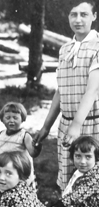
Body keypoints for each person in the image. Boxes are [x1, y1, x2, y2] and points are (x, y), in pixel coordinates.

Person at [34, 1, 99, 191]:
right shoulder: (65, 49)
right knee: (70, 183)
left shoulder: (97, 47)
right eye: (73, 14)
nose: (78, 20)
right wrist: (46, 126)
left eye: (84, 14)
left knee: (92, 184)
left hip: (91, 124)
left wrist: (77, 124)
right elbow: (61, 90)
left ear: (94, 17)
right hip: (67, 125)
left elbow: (93, 90)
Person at [0, 102, 41, 191]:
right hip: (3, 165)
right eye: (8, 118)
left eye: (15, 118)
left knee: (17, 189)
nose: (11, 121)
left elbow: (32, 153)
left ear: (22, 119)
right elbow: (0, 149)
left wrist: (37, 148)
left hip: (16, 167)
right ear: (2, 119)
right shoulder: (2, 134)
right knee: (2, 185)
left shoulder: (24, 135)